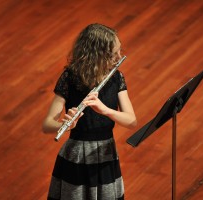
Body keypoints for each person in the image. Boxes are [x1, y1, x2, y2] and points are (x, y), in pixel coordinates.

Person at [42, 23, 137, 200]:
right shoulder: (70, 77)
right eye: (112, 54)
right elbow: (47, 125)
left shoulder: (117, 77)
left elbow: (131, 121)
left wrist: (106, 110)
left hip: (106, 153)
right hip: (77, 156)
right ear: (96, 55)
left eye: (119, 50)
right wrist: (65, 124)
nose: (119, 57)